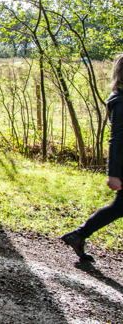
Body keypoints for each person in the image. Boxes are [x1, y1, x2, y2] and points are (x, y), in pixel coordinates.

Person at [62, 53, 123, 262]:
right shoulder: (119, 101)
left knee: (120, 207)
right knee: (120, 207)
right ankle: (78, 235)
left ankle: (78, 235)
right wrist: (113, 174)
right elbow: (116, 139)